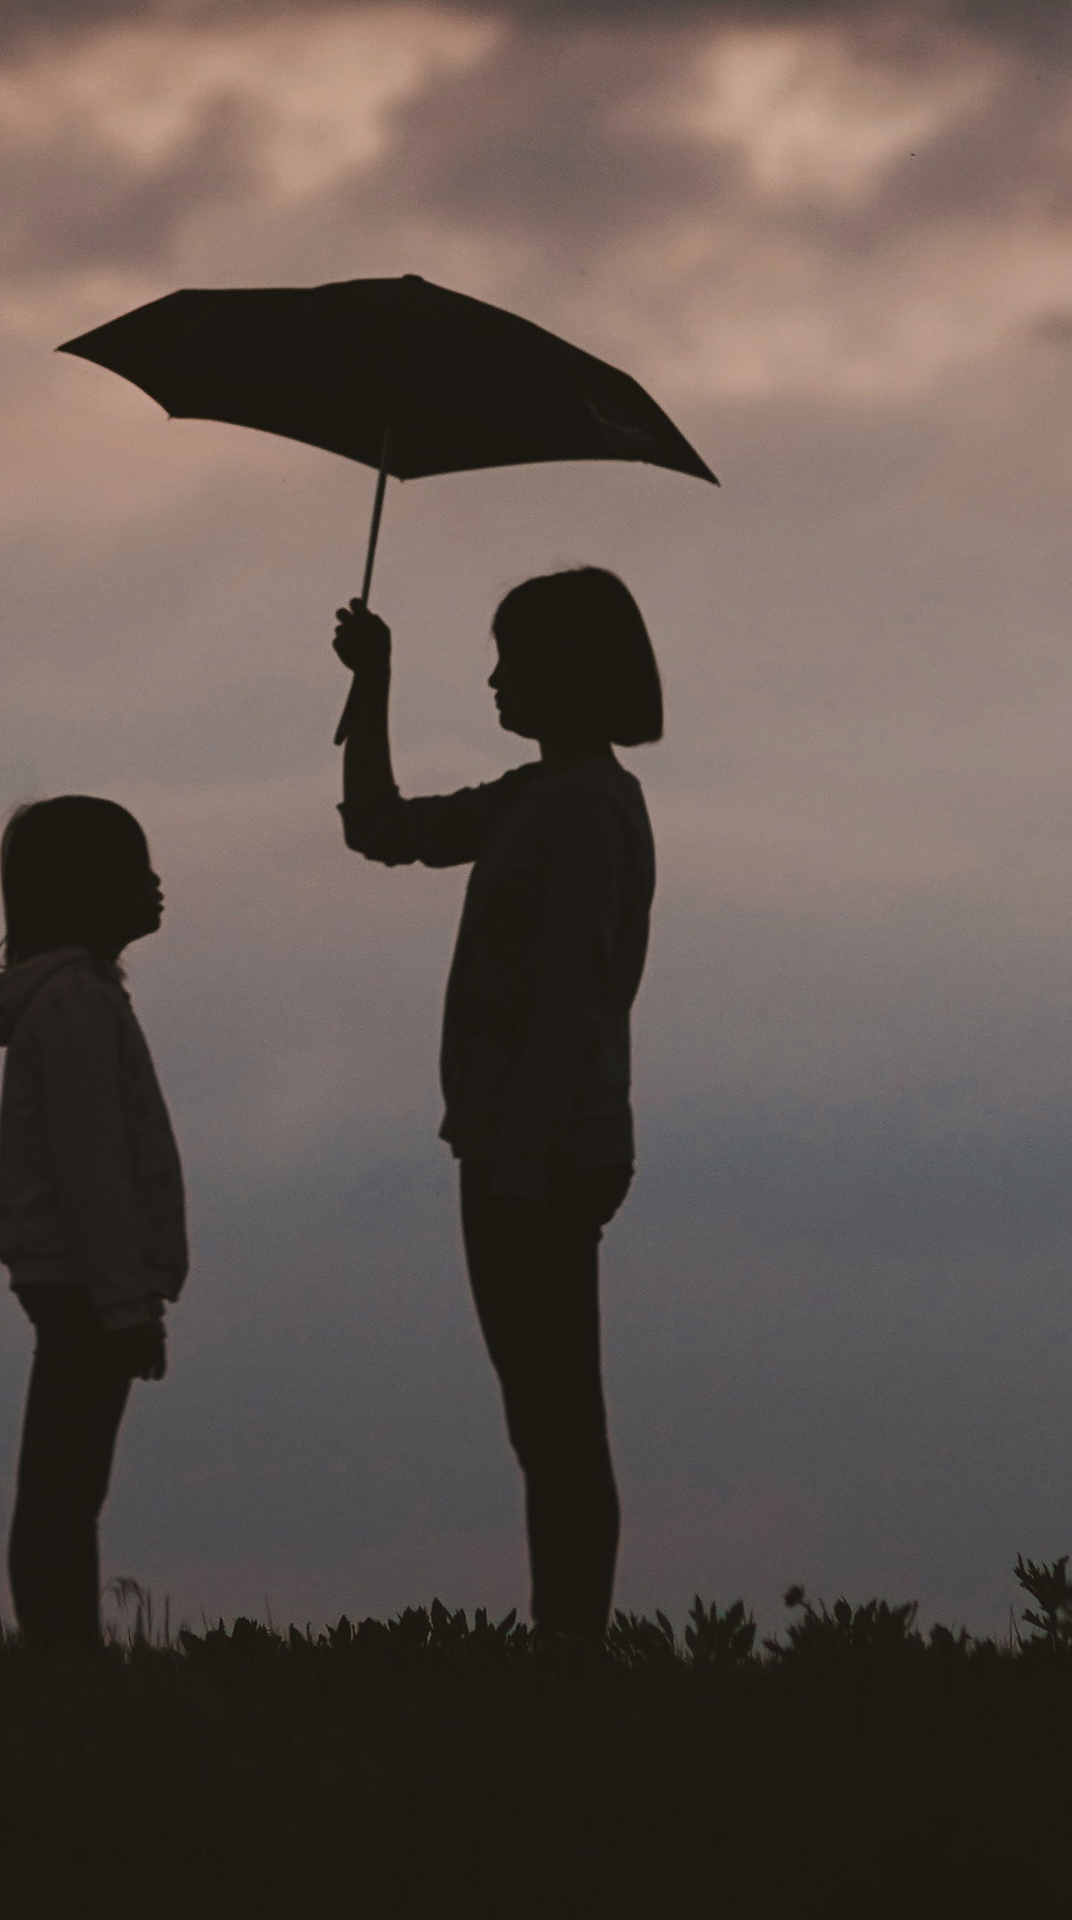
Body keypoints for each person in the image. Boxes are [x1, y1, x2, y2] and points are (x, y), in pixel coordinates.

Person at [329, 568, 660, 1642]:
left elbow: (571, 993)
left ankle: (571, 1649)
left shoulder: (589, 807)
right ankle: (568, 1642)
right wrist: (370, 685)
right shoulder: (537, 797)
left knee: (558, 1416)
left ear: (565, 672)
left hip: (546, 1153)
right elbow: (380, 827)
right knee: (544, 1415)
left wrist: (522, 1158)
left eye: (512, 658)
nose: (495, 678)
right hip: (521, 1146)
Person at [0, 795, 185, 1655]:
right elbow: (93, 1171)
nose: (156, 884)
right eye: (138, 867)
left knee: (65, 1484)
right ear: (92, 888)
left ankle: (63, 1652)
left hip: (79, 1283)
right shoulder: (77, 1009)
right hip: (86, 1287)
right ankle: (63, 1656)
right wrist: (126, 1305)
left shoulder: (78, 1002)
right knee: (64, 1489)